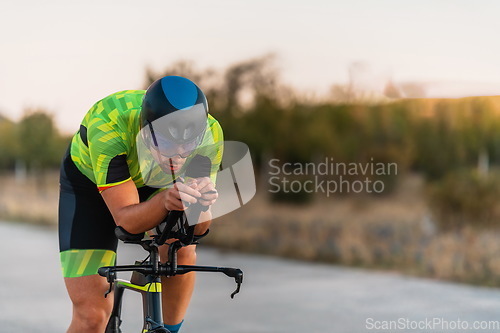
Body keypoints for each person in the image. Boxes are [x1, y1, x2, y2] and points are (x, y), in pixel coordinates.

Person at [58, 75, 223, 333]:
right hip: (88, 187)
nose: (178, 155)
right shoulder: (109, 122)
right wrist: (163, 201)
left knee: (183, 248)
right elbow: (127, 223)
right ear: (145, 130)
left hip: (158, 181)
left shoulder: (210, 133)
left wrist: (202, 206)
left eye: (188, 145)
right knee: (92, 317)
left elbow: (197, 231)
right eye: (166, 143)